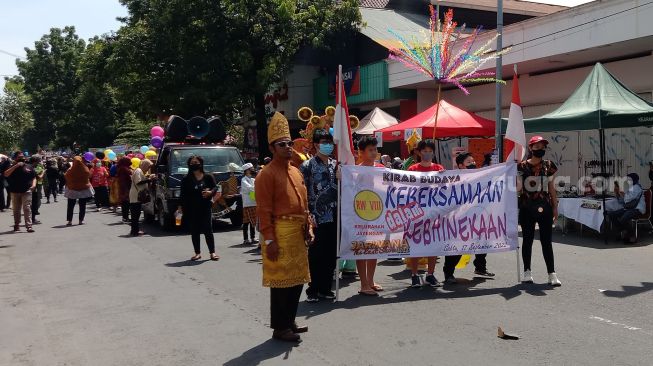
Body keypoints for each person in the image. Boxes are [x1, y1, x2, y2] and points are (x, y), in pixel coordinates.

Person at [255, 112, 311, 343]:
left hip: (297, 232)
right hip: (279, 232)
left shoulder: (296, 171)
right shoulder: (265, 175)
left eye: (289, 143)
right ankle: (280, 327)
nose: (288, 147)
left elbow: (304, 204)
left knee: (297, 280)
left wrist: (309, 227)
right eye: (282, 144)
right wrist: (270, 240)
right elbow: (263, 211)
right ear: (272, 148)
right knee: (280, 283)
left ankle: (290, 321)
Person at [442, 153, 495, 284]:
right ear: (460, 165)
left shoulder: (480, 177)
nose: (473, 163)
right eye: (469, 162)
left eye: (473, 160)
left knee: (481, 242)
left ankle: (480, 268)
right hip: (460, 218)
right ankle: (448, 273)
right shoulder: (454, 180)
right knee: (458, 245)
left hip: (477, 215)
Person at [300, 128, 338, 303]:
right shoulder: (307, 166)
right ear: (316, 145)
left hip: (334, 215)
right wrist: (307, 214)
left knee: (331, 254)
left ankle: (325, 288)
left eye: (330, 142)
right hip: (316, 217)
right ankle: (313, 289)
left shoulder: (335, 164)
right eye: (324, 143)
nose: (328, 146)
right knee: (316, 255)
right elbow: (302, 191)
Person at [517, 136, 561, 286]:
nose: (540, 150)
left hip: (545, 207)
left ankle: (552, 274)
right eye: (537, 147)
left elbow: (551, 187)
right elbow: (517, 188)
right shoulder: (521, 167)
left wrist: (555, 207)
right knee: (527, 240)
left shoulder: (549, 165)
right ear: (530, 148)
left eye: (542, 147)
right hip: (526, 207)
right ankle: (527, 272)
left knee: (546, 241)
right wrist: (513, 175)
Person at [407, 140, 445, 288]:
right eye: (425, 151)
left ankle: (430, 274)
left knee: (433, 244)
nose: (428, 154)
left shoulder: (439, 168)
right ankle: (414, 275)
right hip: (416, 213)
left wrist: (443, 177)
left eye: (430, 151)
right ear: (419, 152)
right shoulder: (412, 170)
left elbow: (446, 189)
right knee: (415, 244)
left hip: (434, 213)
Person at [356, 136, 385, 296]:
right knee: (362, 248)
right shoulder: (356, 170)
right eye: (370, 150)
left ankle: (371, 280)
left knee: (374, 248)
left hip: (377, 214)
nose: (374, 152)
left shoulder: (381, 168)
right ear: (361, 152)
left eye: (375, 149)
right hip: (361, 215)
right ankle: (363, 283)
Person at [178, 156, 220, 260]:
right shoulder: (186, 179)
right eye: (191, 163)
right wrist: (180, 207)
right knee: (195, 230)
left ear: (201, 163)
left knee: (208, 229)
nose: (194, 164)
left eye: (196, 162)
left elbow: (215, 188)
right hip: (191, 208)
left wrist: (210, 192)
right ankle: (197, 253)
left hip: (205, 207)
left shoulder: (208, 177)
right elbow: (182, 194)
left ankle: (212, 252)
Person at [608, 173, 646, 244]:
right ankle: (623, 231)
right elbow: (622, 202)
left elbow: (628, 199)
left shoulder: (637, 187)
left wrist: (621, 193)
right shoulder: (631, 188)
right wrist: (617, 193)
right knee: (611, 214)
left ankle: (631, 235)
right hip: (629, 208)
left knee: (623, 218)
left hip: (637, 209)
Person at [4, 152, 36, 232]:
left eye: (22, 156)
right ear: (15, 158)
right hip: (15, 191)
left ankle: (29, 226)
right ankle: (17, 224)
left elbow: (34, 177)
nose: (22, 158)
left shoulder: (29, 167)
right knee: (16, 209)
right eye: (19, 157)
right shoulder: (11, 167)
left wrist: (33, 185)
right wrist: (16, 166)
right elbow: (6, 174)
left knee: (27, 208)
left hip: (27, 191)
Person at [64, 156, 94, 226]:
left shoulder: (70, 170)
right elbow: (88, 176)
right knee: (82, 205)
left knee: (70, 206)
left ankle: (69, 221)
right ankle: (81, 220)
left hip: (72, 189)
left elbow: (66, 176)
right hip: (83, 189)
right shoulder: (85, 169)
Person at [129, 159, 154, 236]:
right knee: (135, 215)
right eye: (148, 167)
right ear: (145, 165)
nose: (148, 169)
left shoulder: (139, 171)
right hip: (136, 195)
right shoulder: (138, 171)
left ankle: (135, 230)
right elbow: (138, 182)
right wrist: (149, 180)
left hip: (136, 195)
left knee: (136, 214)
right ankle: (135, 231)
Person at [240, 162, 258, 245]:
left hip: (253, 202)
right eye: (251, 169)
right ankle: (246, 239)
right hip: (247, 203)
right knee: (246, 221)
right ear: (246, 171)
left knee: (253, 221)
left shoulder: (253, 179)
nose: (253, 170)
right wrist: (256, 189)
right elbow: (249, 188)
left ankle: (253, 237)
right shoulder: (244, 180)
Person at [116, 157, 133, 223]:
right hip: (125, 187)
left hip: (123, 187)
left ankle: (125, 217)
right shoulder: (124, 168)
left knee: (125, 203)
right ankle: (125, 217)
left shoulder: (121, 167)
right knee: (126, 203)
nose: (130, 162)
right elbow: (129, 176)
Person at [30, 155, 45, 224]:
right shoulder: (32, 168)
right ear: (35, 162)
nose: (38, 163)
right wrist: (43, 172)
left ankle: (31, 218)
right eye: (37, 161)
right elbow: (39, 177)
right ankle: (33, 219)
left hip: (28, 187)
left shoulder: (27, 167)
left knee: (30, 203)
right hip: (33, 187)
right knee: (34, 203)